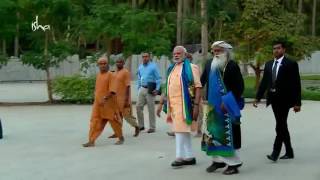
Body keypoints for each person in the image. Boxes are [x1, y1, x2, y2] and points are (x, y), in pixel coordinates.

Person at [201, 41, 244, 175]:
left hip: (226, 106)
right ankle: (217, 161)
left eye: (218, 50)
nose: (215, 53)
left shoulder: (231, 65)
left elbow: (239, 86)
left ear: (226, 51)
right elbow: (202, 80)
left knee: (226, 135)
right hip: (211, 105)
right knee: (212, 133)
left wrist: (227, 101)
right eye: (213, 50)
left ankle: (234, 163)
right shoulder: (209, 63)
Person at [253, 41, 301, 162]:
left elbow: (296, 84)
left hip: (285, 100)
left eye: (278, 48)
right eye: (274, 48)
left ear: (284, 50)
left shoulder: (291, 64)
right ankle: (289, 151)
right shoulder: (269, 64)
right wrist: (258, 98)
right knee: (282, 125)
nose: (276, 50)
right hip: (273, 100)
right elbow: (264, 83)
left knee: (280, 125)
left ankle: (275, 152)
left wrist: (297, 103)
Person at [165, 46, 202, 167]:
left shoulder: (191, 68)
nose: (176, 55)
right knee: (183, 131)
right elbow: (168, 87)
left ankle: (179, 157)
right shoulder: (171, 69)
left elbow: (198, 87)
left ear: (185, 55)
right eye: (174, 53)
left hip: (185, 104)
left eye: (179, 53)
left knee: (179, 130)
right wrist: (162, 103)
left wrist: (196, 105)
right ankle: (190, 156)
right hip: (173, 105)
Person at [82, 57, 124, 147]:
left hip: (109, 104)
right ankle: (91, 141)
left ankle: (121, 137)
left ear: (107, 64)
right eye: (101, 63)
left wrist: (105, 98)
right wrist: (97, 99)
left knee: (114, 122)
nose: (103, 65)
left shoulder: (111, 75)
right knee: (95, 121)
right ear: (98, 65)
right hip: (98, 104)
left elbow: (112, 90)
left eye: (104, 63)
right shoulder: (98, 75)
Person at [108, 57, 140, 138]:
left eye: (120, 62)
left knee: (127, 116)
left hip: (124, 99)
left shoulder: (125, 72)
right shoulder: (115, 72)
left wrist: (126, 99)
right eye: (117, 62)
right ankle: (117, 132)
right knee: (117, 116)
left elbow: (128, 86)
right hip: (116, 99)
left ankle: (136, 126)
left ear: (123, 63)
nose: (118, 63)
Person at [136, 52, 161, 133]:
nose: (144, 58)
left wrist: (157, 89)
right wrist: (138, 88)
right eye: (143, 57)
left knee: (151, 108)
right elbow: (139, 78)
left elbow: (158, 79)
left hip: (150, 89)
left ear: (149, 57)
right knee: (138, 106)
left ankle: (152, 127)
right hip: (142, 88)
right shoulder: (140, 67)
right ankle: (141, 125)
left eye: (146, 56)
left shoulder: (153, 66)